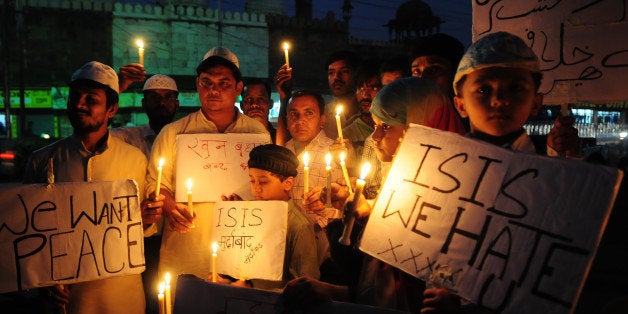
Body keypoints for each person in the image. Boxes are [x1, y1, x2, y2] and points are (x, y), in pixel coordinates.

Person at [283, 77, 467, 313]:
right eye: (375, 125)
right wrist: (361, 208)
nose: (375, 137)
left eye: (386, 126)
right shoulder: (399, 176)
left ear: (423, 126)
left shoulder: (454, 194)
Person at [22, 61, 157, 314]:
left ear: (111, 109)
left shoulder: (135, 159)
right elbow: (30, 236)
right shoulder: (43, 161)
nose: (79, 104)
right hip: (67, 300)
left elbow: (143, 228)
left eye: (90, 99)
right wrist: (42, 284)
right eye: (75, 97)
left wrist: (147, 217)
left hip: (122, 296)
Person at [144, 47, 270, 290]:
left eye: (224, 83)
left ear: (238, 88)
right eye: (207, 82)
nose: (214, 90)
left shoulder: (257, 134)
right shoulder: (173, 133)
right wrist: (171, 207)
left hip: (241, 252)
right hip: (186, 249)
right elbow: (156, 184)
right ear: (197, 85)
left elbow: (268, 188)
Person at [110, 72, 179, 314]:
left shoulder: (188, 138)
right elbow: (98, 129)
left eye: (168, 97)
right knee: (146, 299)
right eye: (154, 97)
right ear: (143, 103)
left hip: (177, 235)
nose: (162, 103)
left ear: (177, 103)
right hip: (140, 237)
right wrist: (118, 87)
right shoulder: (128, 138)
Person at [220, 144, 320, 291]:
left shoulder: (298, 226)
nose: (256, 189)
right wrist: (224, 281)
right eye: (252, 180)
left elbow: (306, 285)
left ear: (288, 183)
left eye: (263, 182)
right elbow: (235, 267)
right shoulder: (246, 215)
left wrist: (252, 291)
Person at [409, 33, 468, 132]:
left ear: (455, 73)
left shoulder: (474, 121)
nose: (423, 79)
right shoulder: (407, 119)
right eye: (416, 71)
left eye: (434, 69)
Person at [341, 58, 381, 158]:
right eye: (360, 88)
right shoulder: (347, 135)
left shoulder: (395, 130)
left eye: (373, 88)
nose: (365, 95)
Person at [323, 50, 361, 140]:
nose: (336, 77)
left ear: (356, 74)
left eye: (344, 71)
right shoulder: (322, 116)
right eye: (331, 73)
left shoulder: (370, 115)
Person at [240, 78, 277, 143]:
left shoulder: (280, 138)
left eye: (261, 99)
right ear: (241, 105)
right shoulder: (233, 137)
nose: (254, 104)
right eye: (249, 99)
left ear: (271, 104)